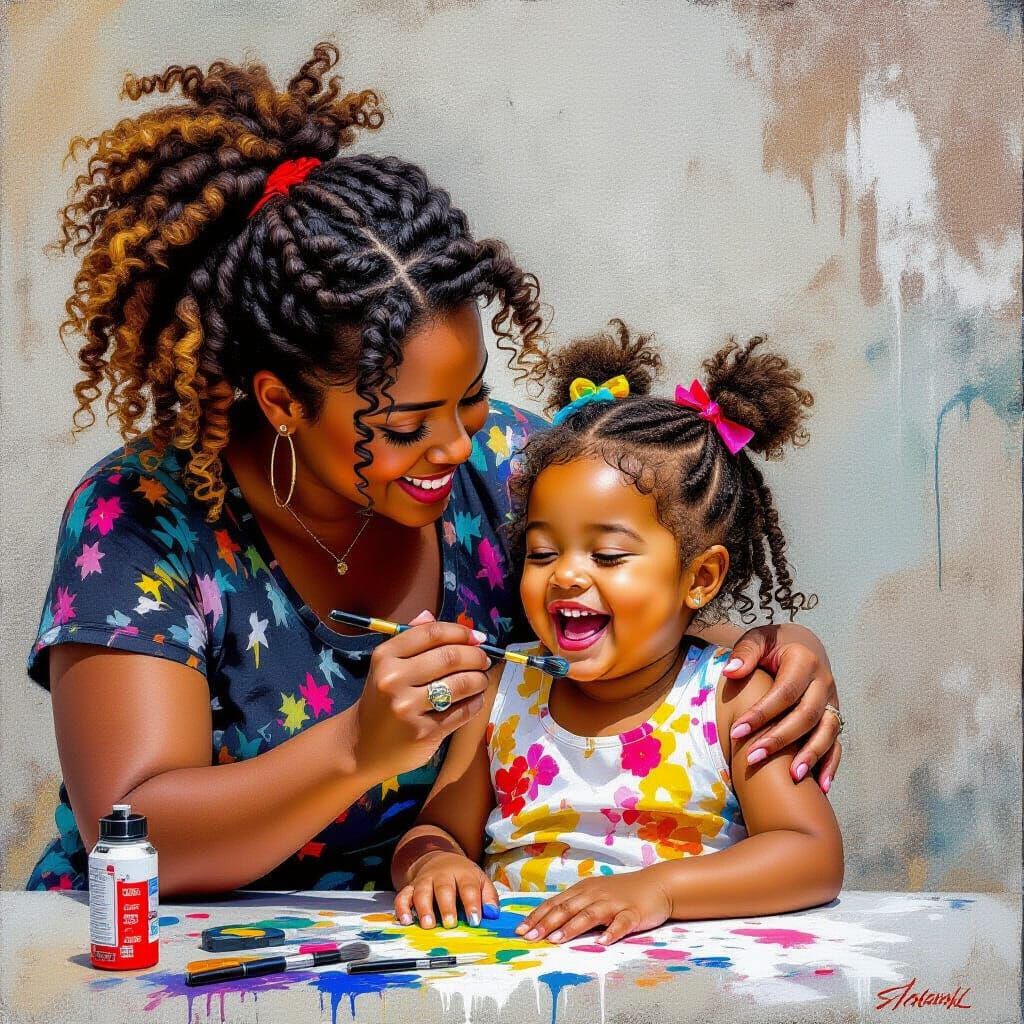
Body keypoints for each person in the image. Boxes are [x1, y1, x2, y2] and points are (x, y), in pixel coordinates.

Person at [27, 44, 843, 897]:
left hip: (420, 955)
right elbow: (133, 838)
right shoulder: (143, 521)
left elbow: (637, 589)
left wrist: (770, 655)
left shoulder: (506, 469)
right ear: (280, 401)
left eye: (472, 397)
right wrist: (357, 749)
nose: (457, 446)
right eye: (409, 423)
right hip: (168, 965)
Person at [391, 323, 843, 943]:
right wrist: (435, 862)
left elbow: (810, 855)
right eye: (542, 551)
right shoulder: (503, 690)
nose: (566, 575)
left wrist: (656, 890)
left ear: (700, 578)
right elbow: (436, 828)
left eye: (607, 556)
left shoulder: (730, 696)